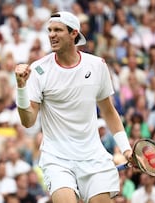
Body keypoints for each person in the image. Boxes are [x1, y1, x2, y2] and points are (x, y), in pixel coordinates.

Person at [14, 11, 133, 203]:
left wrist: (125, 149)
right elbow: (28, 122)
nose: (51, 35)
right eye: (50, 30)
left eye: (58, 30)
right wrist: (21, 87)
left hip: (93, 156)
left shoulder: (97, 66)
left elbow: (109, 112)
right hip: (57, 159)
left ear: (73, 34)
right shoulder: (38, 70)